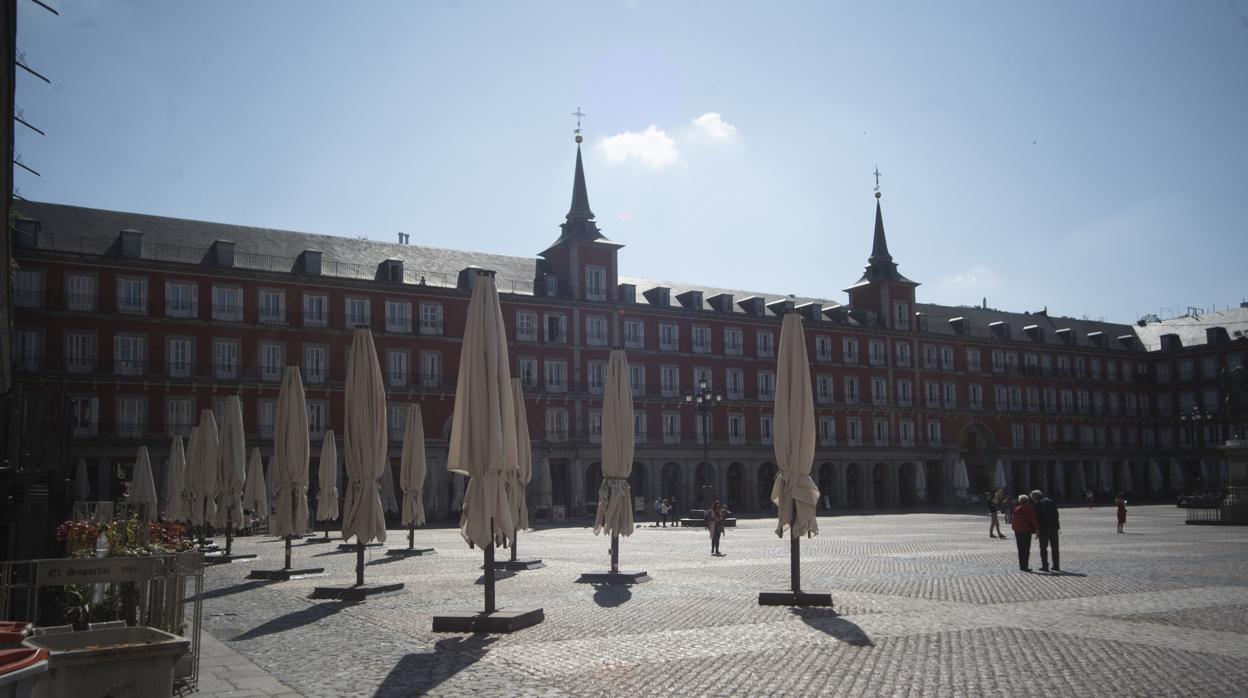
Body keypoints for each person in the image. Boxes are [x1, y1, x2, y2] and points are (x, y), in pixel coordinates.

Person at [1031, 489, 1060, 572]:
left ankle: (1045, 566)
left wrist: (1036, 528)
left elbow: (1036, 517)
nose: (1032, 498)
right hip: (1054, 527)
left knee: (1043, 547)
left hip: (1044, 528)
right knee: (1055, 547)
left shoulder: (1037, 504)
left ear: (1036, 496)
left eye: (1032, 497)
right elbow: (1057, 514)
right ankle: (1056, 565)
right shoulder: (1051, 502)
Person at [1012, 493, 1038, 572]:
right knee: (1026, 549)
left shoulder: (1016, 509)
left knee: (1020, 549)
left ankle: (1022, 565)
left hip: (1018, 531)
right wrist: (1036, 529)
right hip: (1026, 531)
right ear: (1026, 501)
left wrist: (1014, 528)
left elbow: (1013, 520)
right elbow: (1033, 520)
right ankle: (1025, 566)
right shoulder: (1029, 509)